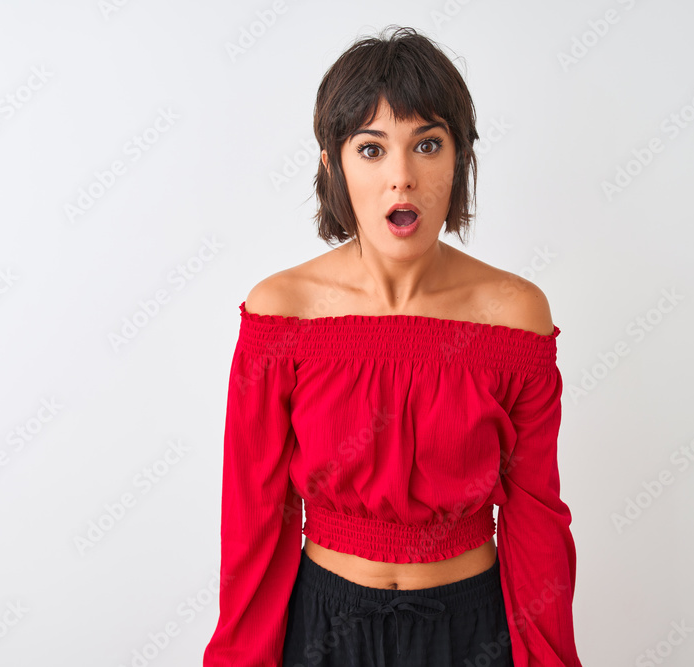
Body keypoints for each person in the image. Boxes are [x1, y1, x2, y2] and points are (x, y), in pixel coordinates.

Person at [203, 25, 582, 667]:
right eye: (371, 149)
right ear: (333, 164)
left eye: (427, 145)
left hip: (473, 629)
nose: (401, 178)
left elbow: (536, 516)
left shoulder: (515, 314)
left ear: (459, 159)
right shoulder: (282, 310)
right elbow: (253, 520)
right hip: (323, 629)